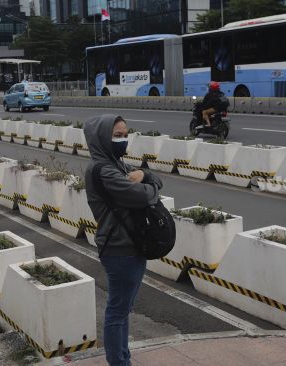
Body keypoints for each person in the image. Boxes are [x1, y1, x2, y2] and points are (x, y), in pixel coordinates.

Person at [84, 115, 163, 366]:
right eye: (117, 135)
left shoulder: (117, 164)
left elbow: (155, 179)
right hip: (119, 250)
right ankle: (119, 362)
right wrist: (149, 186)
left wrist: (145, 176)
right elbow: (143, 196)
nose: (123, 139)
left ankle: (123, 358)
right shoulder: (104, 170)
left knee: (123, 309)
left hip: (129, 245)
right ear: (102, 138)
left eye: (125, 134)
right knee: (117, 312)